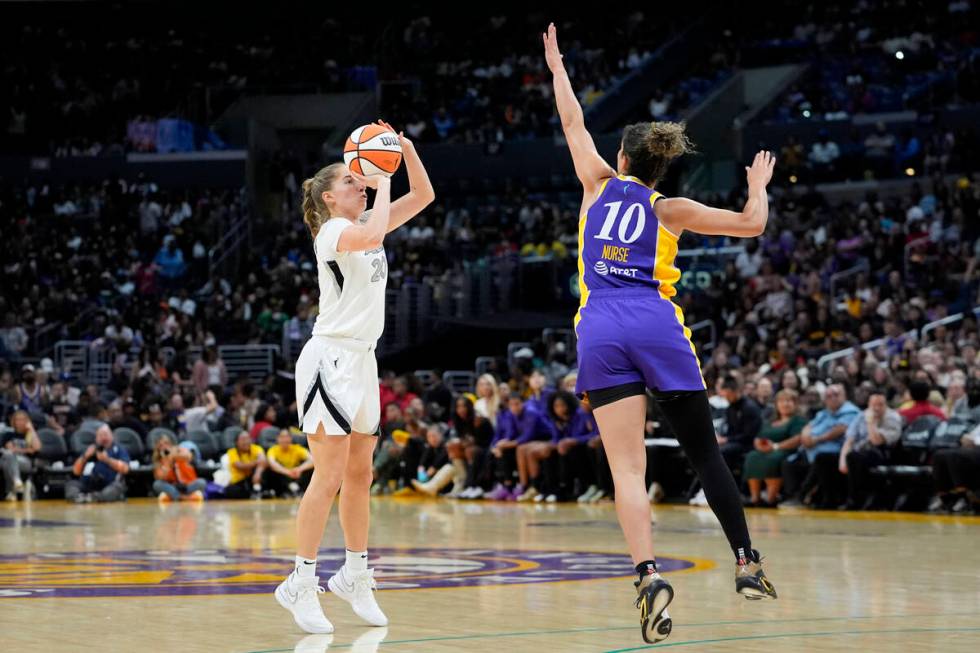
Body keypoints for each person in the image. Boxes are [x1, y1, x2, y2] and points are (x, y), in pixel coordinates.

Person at [544, 22, 777, 644]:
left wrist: (559, 68)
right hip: (655, 324)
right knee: (704, 452)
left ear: (620, 160)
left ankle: (646, 573)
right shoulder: (669, 208)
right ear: (661, 167)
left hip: (600, 329)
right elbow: (752, 226)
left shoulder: (595, 187)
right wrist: (757, 190)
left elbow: (572, 121)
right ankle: (747, 561)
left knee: (625, 467)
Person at [276, 119, 434, 635]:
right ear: (327, 196)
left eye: (357, 177)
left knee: (361, 476)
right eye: (349, 179)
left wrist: (403, 152)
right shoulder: (334, 231)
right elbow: (370, 230)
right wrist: (382, 173)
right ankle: (300, 581)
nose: (357, 182)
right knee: (328, 476)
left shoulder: (368, 219)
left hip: (363, 361)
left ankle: (356, 573)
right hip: (330, 360)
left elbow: (426, 195)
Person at [838, 391, 902, 510]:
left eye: (880, 404)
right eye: (874, 405)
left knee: (854, 457)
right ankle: (829, 499)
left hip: (884, 454)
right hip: (859, 453)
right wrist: (842, 461)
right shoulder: (861, 415)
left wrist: (871, 422)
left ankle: (855, 501)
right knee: (824, 458)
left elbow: (876, 441)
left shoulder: (892, 417)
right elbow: (849, 440)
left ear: (886, 405)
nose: (877, 408)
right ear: (868, 404)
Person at [742, 390, 807, 507]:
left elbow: (798, 439)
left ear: (795, 404)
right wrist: (759, 445)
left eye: (789, 401)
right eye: (781, 401)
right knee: (752, 456)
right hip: (766, 450)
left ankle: (771, 499)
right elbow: (759, 437)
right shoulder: (771, 421)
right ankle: (755, 498)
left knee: (774, 459)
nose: (785, 404)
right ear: (776, 404)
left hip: (787, 451)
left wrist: (775, 446)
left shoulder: (799, 420)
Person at [65, 423, 129, 504]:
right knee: (71, 485)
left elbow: (125, 469)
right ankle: (79, 498)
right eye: (100, 435)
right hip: (88, 484)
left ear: (112, 436)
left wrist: (107, 460)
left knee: (117, 488)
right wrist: (85, 457)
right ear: (96, 438)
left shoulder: (118, 449)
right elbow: (76, 471)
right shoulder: (90, 449)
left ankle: (95, 497)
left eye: (106, 435)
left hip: (109, 484)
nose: (103, 438)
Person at [152, 432, 206, 502]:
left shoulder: (180, 450)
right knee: (157, 484)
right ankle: (182, 497)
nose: (164, 446)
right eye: (161, 445)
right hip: (172, 487)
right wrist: (167, 463)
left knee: (201, 482)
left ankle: (174, 497)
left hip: (187, 485)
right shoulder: (158, 460)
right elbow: (161, 477)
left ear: (171, 444)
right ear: (158, 448)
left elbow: (188, 456)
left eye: (166, 443)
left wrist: (174, 455)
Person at [1, 410, 40, 501]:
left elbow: (37, 448)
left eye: (22, 420)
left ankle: (11, 490)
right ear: (13, 421)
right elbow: (6, 450)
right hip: (9, 460)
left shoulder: (30, 434)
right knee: (8, 457)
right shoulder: (8, 435)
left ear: (27, 421)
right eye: (17, 420)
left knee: (8, 457)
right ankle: (17, 482)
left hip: (25, 462)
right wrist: (27, 450)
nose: (19, 422)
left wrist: (31, 429)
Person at [265, 429, 314, 497]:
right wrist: (287, 472)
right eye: (282, 437)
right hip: (282, 476)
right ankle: (285, 491)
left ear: (291, 438)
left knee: (311, 467)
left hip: (297, 475)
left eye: (287, 437)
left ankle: (299, 489)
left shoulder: (297, 448)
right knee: (270, 468)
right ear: (278, 439)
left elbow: (312, 460)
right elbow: (272, 463)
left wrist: (299, 469)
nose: (285, 439)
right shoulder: (273, 449)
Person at [224, 430, 267, 498]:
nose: (246, 442)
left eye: (248, 439)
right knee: (229, 490)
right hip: (240, 482)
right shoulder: (232, 452)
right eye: (243, 439)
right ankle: (252, 494)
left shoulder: (256, 448)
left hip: (253, 478)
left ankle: (259, 491)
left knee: (264, 471)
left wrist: (257, 473)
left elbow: (263, 460)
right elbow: (240, 466)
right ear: (237, 442)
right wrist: (257, 462)